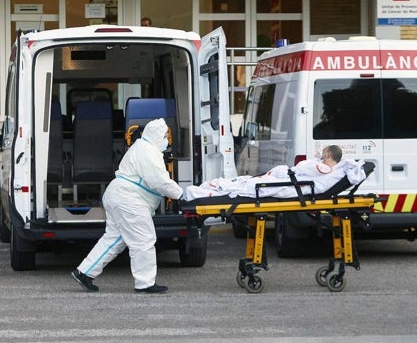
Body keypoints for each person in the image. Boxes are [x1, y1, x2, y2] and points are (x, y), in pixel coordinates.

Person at [72, 118, 183, 294]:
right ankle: (145, 283)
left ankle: (84, 272)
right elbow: (159, 181)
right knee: (143, 239)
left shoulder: (140, 148)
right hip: (129, 199)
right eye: (164, 136)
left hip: (118, 195)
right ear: (156, 136)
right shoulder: (148, 152)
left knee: (114, 239)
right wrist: (180, 195)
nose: (166, 140)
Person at [183, 145, 365, 201]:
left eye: (322, 153)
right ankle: (209, 188)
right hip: (287, 180)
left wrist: (314, 160)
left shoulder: (324, 168)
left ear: (327, 154)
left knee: (246, 185)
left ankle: (200, 192)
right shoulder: (329, 171)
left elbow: (303, 168)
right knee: (243, 181)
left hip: (287, 184)